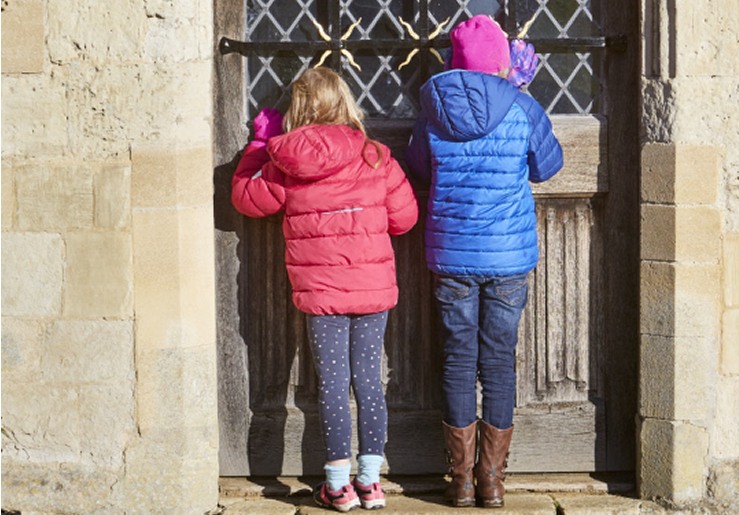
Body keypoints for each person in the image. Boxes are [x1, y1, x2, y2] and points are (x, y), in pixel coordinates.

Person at [231, 67, 419, 512]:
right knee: (369, 381)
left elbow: (245, 198)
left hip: (322, 294)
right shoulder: (375, 156)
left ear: (298, 109)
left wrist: (258, 146)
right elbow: (404, 218)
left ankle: (337, 485)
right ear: (345, 102)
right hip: (372, 290)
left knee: (334, 384)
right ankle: (371, 482)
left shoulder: (287, 164)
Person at [405, 14, 563, 509]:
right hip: (507, 257)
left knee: (457, 361)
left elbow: (417, 169)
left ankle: (460, 482)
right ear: (502, 62)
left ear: (456, 64)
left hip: (452, 255)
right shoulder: (522, 106)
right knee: (497, 362)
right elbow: (549, 165)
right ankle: (492, 482)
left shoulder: (432, 110)